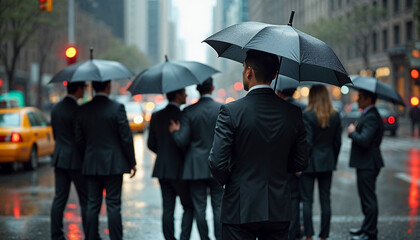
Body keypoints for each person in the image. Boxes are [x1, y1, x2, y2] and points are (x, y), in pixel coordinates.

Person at [209, 49, 308, 240]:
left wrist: (233, 183)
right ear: (275, 75)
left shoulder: (231, 112)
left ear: (249, 71)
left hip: (239, 205)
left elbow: (216, 162)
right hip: (278, 206)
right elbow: (301, 162)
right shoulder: (293, 113)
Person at [75, 80, 137, 240]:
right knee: (113, 204)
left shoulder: (83, 109)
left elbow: (79, 139)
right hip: (114, 164)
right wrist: (132, 162)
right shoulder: (117, 108)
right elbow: (126, 138)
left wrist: (87, 155)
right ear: (108, 86)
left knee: (92, 203)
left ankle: (91, 237)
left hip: (91, 162)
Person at [169, 78, 223, 240]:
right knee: (218, 207)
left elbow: (181, 141)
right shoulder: (222, 109)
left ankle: (204, 238)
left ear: (198, 89)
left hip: (195, 167)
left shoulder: (188, 111)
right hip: (218, 165)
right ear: (212, 88)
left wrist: (175, 132)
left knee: (199, 208)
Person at [148, 88, 194, 240]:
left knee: (168, 208)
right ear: (178, 95)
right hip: (180, 168)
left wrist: (162, 153)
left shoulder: (156, 116)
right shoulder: (183, 116)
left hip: (162, 168)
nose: (186, 95)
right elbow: (186, 143)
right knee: (188, 206)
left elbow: (150, 144)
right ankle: (183, 237)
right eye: (184, 93)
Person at [300, 85, 342, 240]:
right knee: (326, 200)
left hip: (310, 163)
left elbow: (308, 143)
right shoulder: (335, 115)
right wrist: (333, 159)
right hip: (327, 161)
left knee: (307, 201)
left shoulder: (308, 115)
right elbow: (337, 143)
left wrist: (301, 163)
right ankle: (324, 236)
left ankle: (309, 235)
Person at [50, 82, 90, 240]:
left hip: (59, 158)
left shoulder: (56, 108)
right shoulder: (79, 110)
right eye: (84, 88)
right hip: (76, 160)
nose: (85, 91)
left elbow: (55, 134)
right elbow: (80, 138)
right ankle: (90, 234)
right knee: (85, 200)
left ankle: (56, 235)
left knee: (59, 198)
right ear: (79, 89)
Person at [347, 89, 384, 240]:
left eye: (360, 97)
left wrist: (352, 132)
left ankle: (370, 232)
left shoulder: (371, 117)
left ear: (368, 99)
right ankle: (366, 228)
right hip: (365, 163)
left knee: (369, 199)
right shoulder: (368, 114)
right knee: (365, 198)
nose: (357, 100)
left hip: (368, 163)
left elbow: (364, 140)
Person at [275, 87, 306, 240]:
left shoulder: (276, 109)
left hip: (278, 165)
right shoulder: (301, 109)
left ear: (280, 91)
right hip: (293, 165)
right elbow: (305, 140)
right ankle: (294, 232)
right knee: (295, 199)